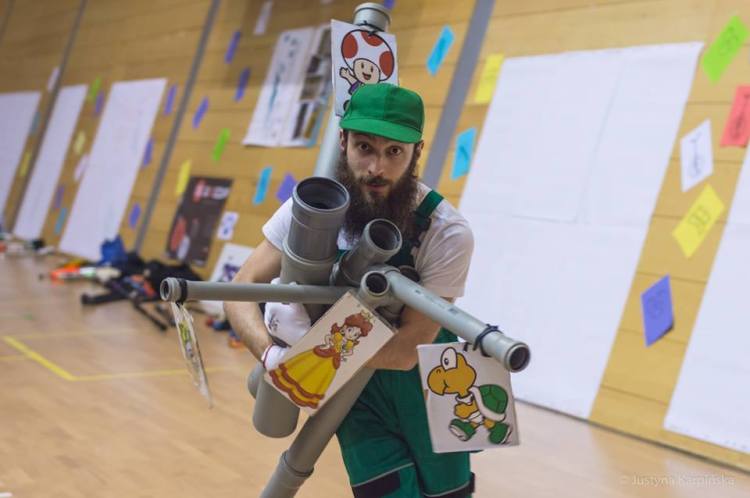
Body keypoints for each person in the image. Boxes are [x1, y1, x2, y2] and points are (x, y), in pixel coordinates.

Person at [225, 83, 475, 497]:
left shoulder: (447, 232)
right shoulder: (310, 211)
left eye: (394, 152)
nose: (377, 167)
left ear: (417, 151)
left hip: (430, 380)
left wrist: (310, 350)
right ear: (343, 141)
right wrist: (273, 357)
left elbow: (407, 350)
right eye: (364, 147)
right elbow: (239, 290)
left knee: (450, 495)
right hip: (353, 391)